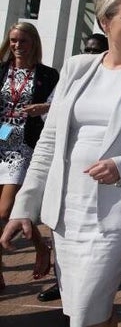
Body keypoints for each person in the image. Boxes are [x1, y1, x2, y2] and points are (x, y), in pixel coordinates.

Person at [0, 0, 121, 327]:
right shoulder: (76, 67)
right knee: (87, 309)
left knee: (85, 311)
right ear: (105, 21)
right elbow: (49, 142)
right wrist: (24, 207)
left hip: (119, 212)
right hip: (66, 211)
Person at [37, 33, 108, 303]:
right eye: (87, 50)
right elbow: (51, 117)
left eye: (96, 50)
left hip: (104, 175)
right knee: (63, 232)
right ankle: (62, 283)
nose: (90, 55)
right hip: (65, 170)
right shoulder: (72, 75)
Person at [0, 22, 59, 291]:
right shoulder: (2, 71)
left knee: (5, 209)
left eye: (23, 41)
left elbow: (61, 107)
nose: (17, 46)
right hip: (0, 140)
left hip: (23, 146)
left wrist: (44, 107)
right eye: (13, 40)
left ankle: (38, 247)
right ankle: (38, 247)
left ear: (33, 43)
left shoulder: (47, 75)